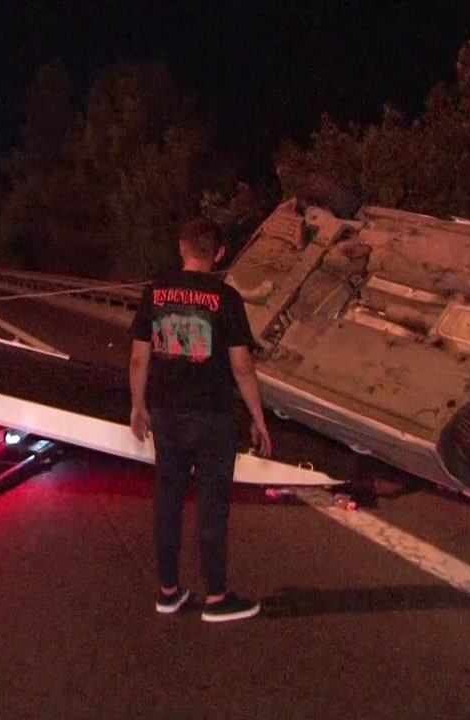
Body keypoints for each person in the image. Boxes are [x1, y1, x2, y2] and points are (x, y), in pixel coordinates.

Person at [129, 217, 272, 623]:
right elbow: (242, 367)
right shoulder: (226, 299)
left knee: (168, 503)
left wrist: (138, 405)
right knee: (212, 506)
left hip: (167, 416)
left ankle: (169, 591)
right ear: (221, 253)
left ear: (181, 247)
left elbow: (140, 357)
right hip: (213, 417)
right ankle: (216, 598)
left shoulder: (154, 293)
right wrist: (258, 418)